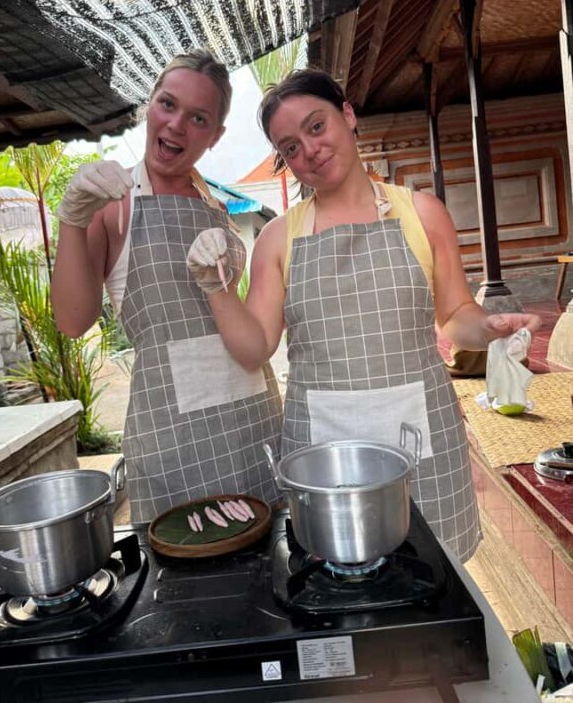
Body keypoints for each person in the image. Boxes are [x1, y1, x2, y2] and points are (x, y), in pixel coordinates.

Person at [186, 68, 542, 562]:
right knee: (340, 590)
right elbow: (255, 347)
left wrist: (488, 327)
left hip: (421, 440)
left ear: (347, 115)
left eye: (316, 126)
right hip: (322, 454)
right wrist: (216, 289)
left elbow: (454, 315)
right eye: (290, 147)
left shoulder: (422, 213)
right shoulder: (277, 239)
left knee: (431, 586)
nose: (308, 151)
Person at [51, 49, 283, 524]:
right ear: (149, 106)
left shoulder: (216, 206)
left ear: (215, 135)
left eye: (198, 117)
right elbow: (73, 321)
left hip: (257, 418)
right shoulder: (112, 202)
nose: (177, 124)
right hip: (174, 439)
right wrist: (72, 221)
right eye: (167, 104)